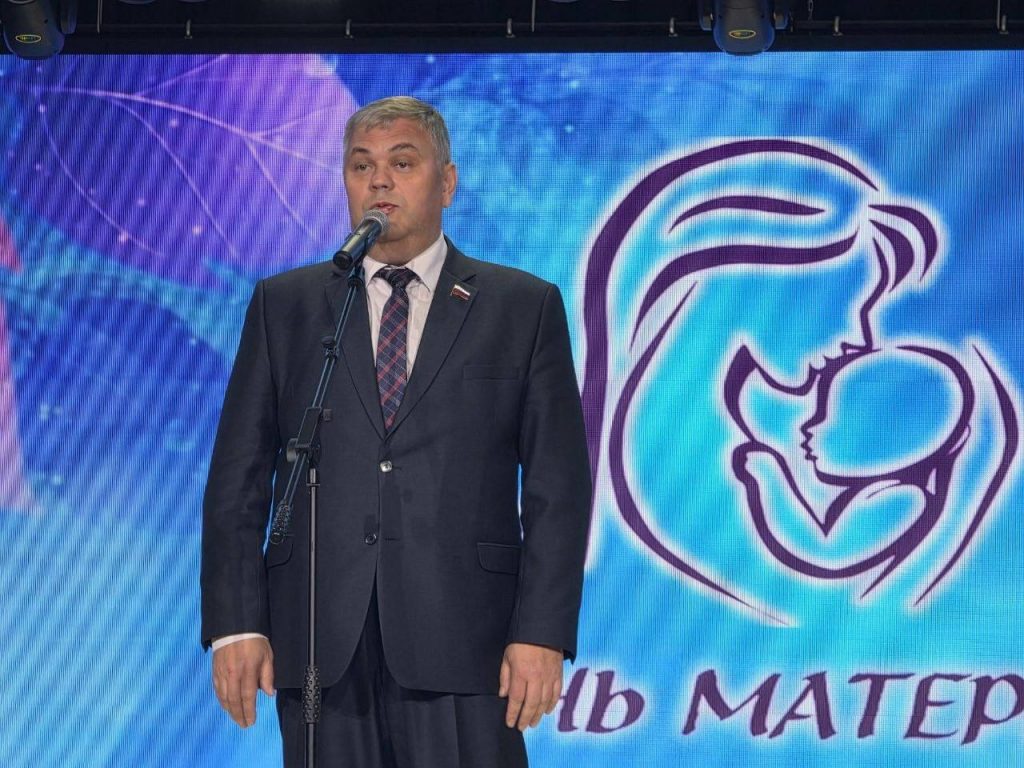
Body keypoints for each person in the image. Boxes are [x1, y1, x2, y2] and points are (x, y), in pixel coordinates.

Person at [200, 95, 592, 767]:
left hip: (468, 640)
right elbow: (238, 478)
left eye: (402, 163)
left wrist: (542, 632)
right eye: (361, 166)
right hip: (322, 640)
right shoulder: (287, 307)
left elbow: (559, 489)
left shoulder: (521, 307)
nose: (379, 181)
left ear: (447, 183)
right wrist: (236, 622)